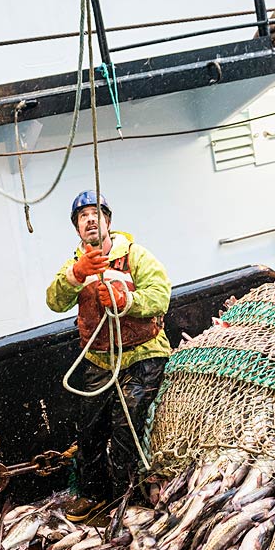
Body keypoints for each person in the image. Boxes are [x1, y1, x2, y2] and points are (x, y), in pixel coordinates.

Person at [46, 190, 171, 523]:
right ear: (76, 229)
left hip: (144, 355)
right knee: (89, 430)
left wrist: (125, 300)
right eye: (82, 216)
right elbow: (54, 301)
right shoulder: (77, 265)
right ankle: (93, 496)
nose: (89, 219)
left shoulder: (135, 255)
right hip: (100, 360)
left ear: (108, 221)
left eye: (95, 213)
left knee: (125, 424)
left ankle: (125, 499)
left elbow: (160, 295)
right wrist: (77, 273)